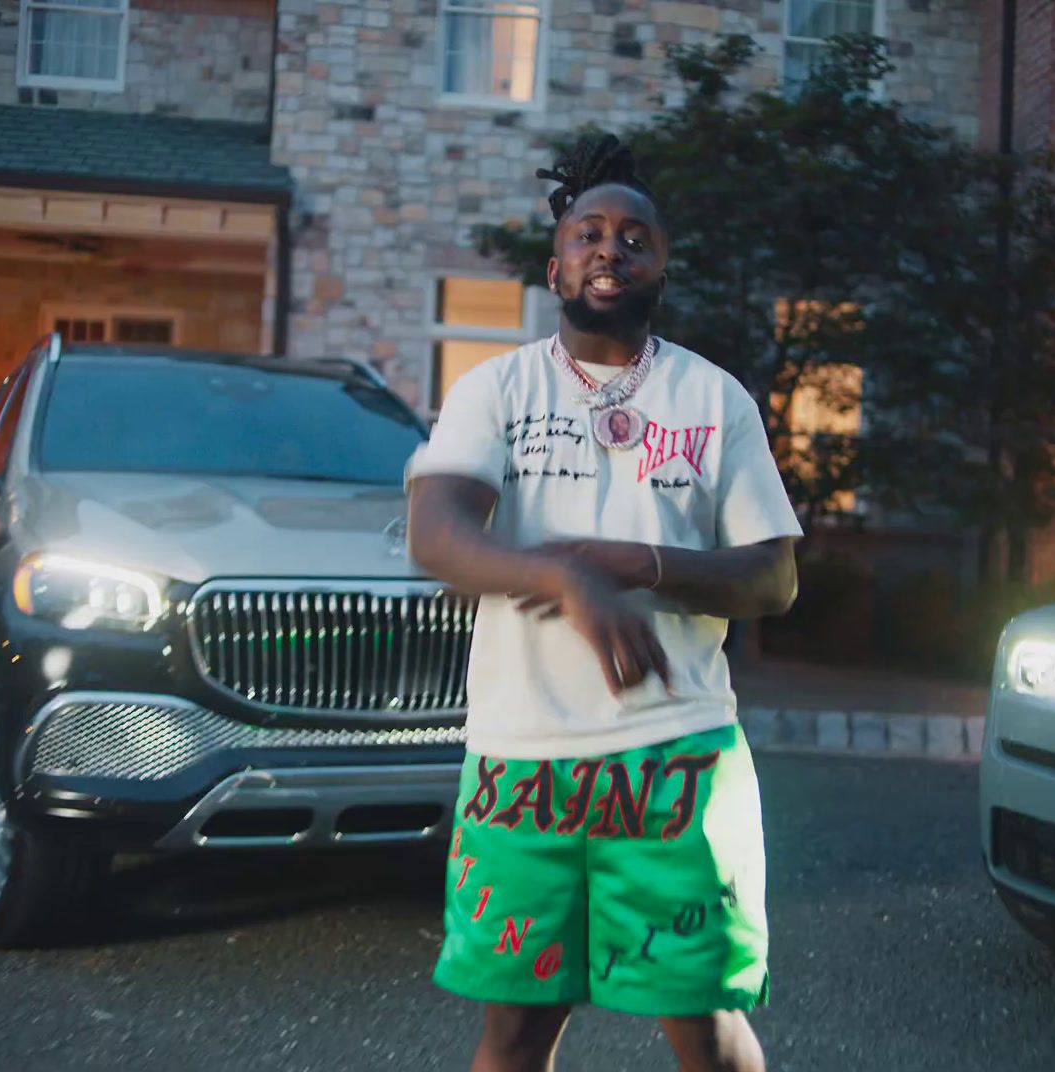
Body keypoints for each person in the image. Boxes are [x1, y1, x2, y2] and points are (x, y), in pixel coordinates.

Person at [406, 133, 801, 1072]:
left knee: (702, 1019)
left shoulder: (714, 399)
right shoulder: (495, 388)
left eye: (634, 237)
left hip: (677, 754)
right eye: (590, 234)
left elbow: (773, 577)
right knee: (517, 1026)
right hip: (519, 758)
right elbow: (439, 534)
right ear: (556, 265)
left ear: (662, 264)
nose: (610, 250)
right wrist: (565, 576)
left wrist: (639, 562)